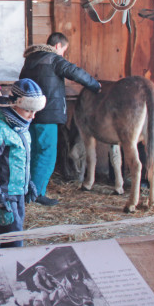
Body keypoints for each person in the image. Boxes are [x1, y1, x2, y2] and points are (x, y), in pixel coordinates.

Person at [20, 32, 100, 206]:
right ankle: (37, 193)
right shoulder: (53, 59)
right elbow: (75, 72)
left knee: (32, 153)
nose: (63, 53)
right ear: (58, 46)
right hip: (47, 114)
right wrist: (95, 85)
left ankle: (26, 191)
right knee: (47, 154)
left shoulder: (30, 60)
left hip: (29, 114)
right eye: (64, 50)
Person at [0, 79, 46, 248]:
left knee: (7, 231)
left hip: (18, 190)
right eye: (28, 110)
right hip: (5, 192)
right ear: (14, 103)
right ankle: (10, 269)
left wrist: (28, 182)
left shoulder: (21, 126)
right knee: (14, 237)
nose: (32, 116)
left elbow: (21, 159)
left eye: (35, 111)